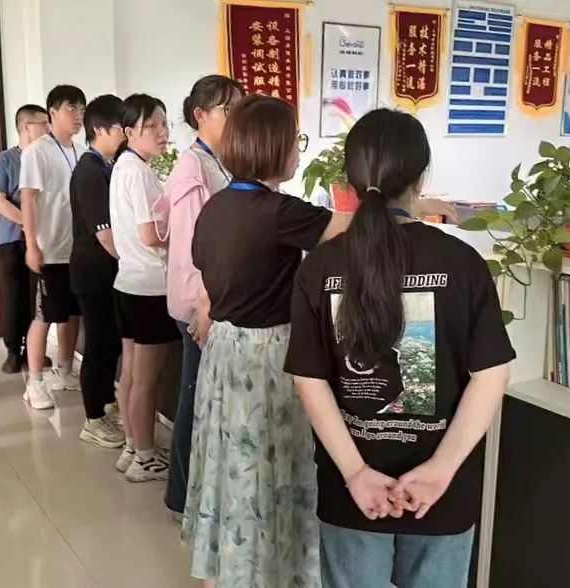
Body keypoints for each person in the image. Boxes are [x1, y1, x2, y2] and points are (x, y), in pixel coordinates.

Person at [284, 109, 515, 588]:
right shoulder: (462, 263)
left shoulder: (319, 267)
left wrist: (356, 473)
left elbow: (310, 379)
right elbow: (491, 374)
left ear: (349, 180)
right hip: (441, 493)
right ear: (420, 178)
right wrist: (439, 470)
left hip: (353, 491)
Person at [182, 94, 353, 587]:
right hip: (266, 356)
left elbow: (208, 278)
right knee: (265, 464)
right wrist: (411, 205)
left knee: (230, 466)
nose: (298, 149)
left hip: (223, 352)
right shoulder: (277, 210)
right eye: (295, 139)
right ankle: (264, 571)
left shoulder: (216, 207)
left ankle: (225, 569)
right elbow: (349, 228)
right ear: (274, 147)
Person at [161, 75, 243, 516]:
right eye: (230, 109)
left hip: (213, 301)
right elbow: (199, 248)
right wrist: (204, 308)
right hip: (200, 305)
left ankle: (195, 493)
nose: (238, 117)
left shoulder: (218, 162)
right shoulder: (193, 168)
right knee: (194, 400)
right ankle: (182, 496)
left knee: (204, 399)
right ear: (200, 115)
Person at [108, 93, 179, 482]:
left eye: (164, 124)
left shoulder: (126, 166)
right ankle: (145, 458)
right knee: (146, 379)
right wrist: (183, 232)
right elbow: (151, 235)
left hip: (129, 281)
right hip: (150, 287)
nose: (162, 132)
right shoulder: (137, 171)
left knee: (133, 373)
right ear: (129, 132)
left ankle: (134, 446)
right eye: (151, 125)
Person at [20, 85, 87, 409]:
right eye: (70, 109)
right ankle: (34, 383)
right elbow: (28, 200)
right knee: (43, 315)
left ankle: (65, 370)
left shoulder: (81, 151)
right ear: (52, 113)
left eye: (81, 109)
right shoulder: (37, 151)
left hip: (76, 248)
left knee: (72, 314)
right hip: (48, 248)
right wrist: (31, 245)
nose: (78, 116)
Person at [69, 94, 127, 447]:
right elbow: (104, 234)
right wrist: (132, 261)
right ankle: (93, 419)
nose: (127, 134)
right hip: (94, 271)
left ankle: (106, 404)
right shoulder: (90, 171)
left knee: (110, 343)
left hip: (107, 271)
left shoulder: (107, 165)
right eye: (123, 127)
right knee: (99, 345)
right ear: (100, 129)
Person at [0, 104, 53, 374]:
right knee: (15, 296)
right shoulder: (4, 160)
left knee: (37, 297)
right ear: (26, 127)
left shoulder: (46, 158)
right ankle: (13, 350)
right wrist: (27, 222)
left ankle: (33, 351)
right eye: (43, 123)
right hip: (12, 240)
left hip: (42, 240)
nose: (48, 128)